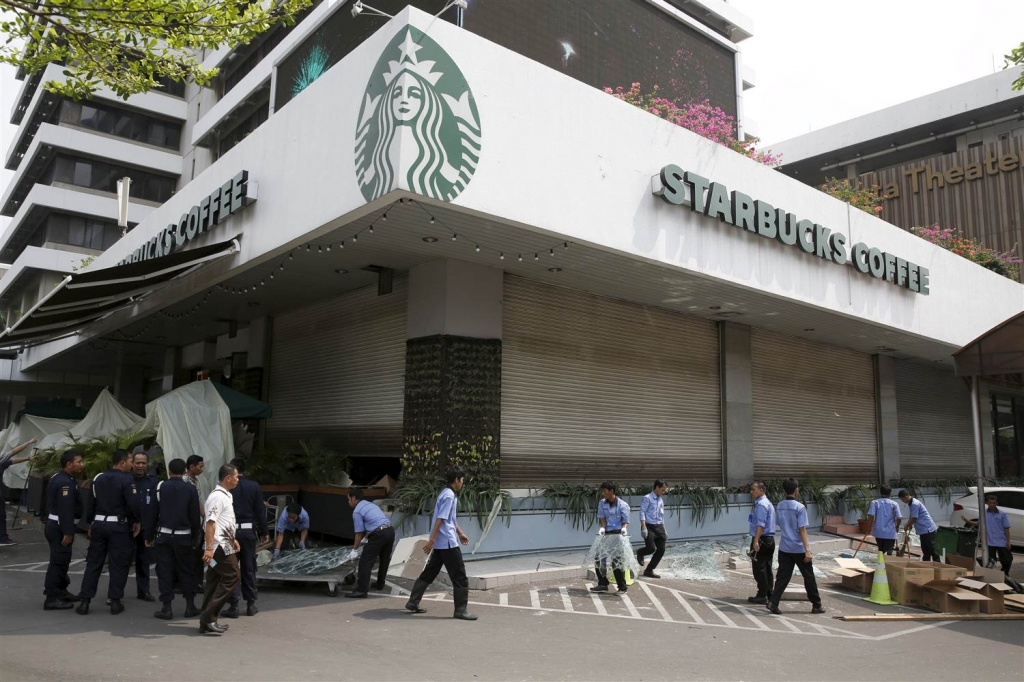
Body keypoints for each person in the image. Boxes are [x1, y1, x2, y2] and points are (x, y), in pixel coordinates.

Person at [404, 468, 477, 620]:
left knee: (430, 572)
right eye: (462, 480)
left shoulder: (444, 493)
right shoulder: (449, 496)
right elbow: (441, 519)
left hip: (442, 542)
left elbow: (449, 519)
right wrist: (431, 540)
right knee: (460, 576)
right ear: (457, 479)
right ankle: (461, 610)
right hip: (447, 543)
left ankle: (413, 602)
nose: (462, 483)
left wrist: (460, 532)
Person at [76, 449, 141, 615]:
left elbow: (91, 503)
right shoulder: (127, 480)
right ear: (122, 462)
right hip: (118, 527)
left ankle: (85, 601)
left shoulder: (98, 478)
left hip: (99, 524)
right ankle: (115, 601)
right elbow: (133, 504)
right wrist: (136, 520)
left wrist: (90, 522)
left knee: (94, 563)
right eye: (131, 460)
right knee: (118, 564)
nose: (132, 464)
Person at [146, 458, 202, 620]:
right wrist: (194, 537)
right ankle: (190, 605)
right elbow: (194, 517)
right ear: (185, 471)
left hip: (163, 536)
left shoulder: (160, 487)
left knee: (164, 571)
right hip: (184, 536)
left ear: (169, 472)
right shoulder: (190, 489)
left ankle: (167, 607)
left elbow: (152, 513)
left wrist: (148, 536)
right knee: (186, 570)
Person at [767, 478, 825, 616]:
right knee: (808, 576)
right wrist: (808, 550)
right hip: (798, 548)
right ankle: (816, 604)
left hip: (785, 547)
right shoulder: (800, 507)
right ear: (796, 490)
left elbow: (779, 524)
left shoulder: (780, 505)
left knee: (782, 577)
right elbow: (802, 530)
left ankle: (773, 602)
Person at [198, 464, 241, 636]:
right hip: (218, 547)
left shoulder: (226, 496)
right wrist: (209, 548)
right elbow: (210, 523)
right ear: (228, 477)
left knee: (214, 581)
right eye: (236, 476)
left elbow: (224, 522)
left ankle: (207, 621)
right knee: (233, 576)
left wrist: (233, 538)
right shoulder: (217, 497)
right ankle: (208, 616)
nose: (238, 479)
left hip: (225, 543)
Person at [224, 457, 267, 618]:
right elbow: (260, 511)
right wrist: (264, 532)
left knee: (231, 568)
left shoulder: (226, 486)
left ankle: (233, 605)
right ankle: (251, 604)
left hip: (229, 532)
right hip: (249, 532)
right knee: (249, 567)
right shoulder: (254, 486)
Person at [42, 450, 83, 610]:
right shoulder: (65, 482)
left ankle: (61, 591)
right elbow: (65, 509)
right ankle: (51, 597)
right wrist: (68, 531)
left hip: (57, 525)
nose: (81, 464)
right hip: (60, 527)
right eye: (78, 461)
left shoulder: (62, 478)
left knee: (63, 561)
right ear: (69, 464)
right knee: (58, 562)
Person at [345, 488, 395, 598]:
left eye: (348, 499)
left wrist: (354, 550)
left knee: (365, 561)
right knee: (384, 559)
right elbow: (375, 523)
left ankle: (361, 590)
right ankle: (380, 584)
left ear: (354, 498)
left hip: (379, 534)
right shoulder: (371, 505)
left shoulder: (357, 511)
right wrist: (366, 538)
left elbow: (358, 533)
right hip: (390, 531)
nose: (348, 502)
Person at [591, 481, 631, 595]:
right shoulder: (602, 503)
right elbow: (602, 518)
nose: (603, 493)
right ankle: (603, 583)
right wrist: (602, 528)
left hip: (618, 534)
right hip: (606, 534)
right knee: (599, 558)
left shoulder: (623, 505)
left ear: (611, 491)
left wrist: (624, 528)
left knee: (616, 561)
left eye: (605, 491)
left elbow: (625, 521)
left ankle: (622, 587)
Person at [130, 447, 158, 602]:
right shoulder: (126, 480)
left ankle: (143, 591)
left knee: (143, 560)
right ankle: (116, 594)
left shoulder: (153, 482)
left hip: (146, 528)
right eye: (137, 463)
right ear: (132, 464)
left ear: (147, 465)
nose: (140, 466)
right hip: (128, 527)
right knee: (122, 561)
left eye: (143, 463)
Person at [0, 437, 38, 547]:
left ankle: (3, 538)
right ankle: (2, 539)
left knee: (2, 516)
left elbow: (11, 461)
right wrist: (29, 442)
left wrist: (28, 458)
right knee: (1, 517)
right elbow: (13, 452)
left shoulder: (1, 463)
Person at [963, 494, 1013, 575]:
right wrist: (967, 521)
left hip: (1001, 541)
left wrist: (1008, 541)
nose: (992, 504)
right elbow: (978, 523)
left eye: (994, 503)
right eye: (990, 503)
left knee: (1008, 559)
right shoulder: (984, 514)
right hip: (989, 542)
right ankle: (992, 576)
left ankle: (1004, 574)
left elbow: (1006, 528)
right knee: (990, 561)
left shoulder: (1002, 514)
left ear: (997, 503)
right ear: (987, 503)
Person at [747, 481, 776, 605]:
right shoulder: (765, 503)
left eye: (753, 489)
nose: (751, 492)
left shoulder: (761, 505)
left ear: (761, 490)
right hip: (768, 540)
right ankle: (769, 594)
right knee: (766, 568)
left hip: (762, 539)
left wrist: (755, 541)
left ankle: (762, 595)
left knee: (759, 569)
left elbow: (760, 525)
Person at [183, 455, 209, 592]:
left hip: (196, 522)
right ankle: (189, 583)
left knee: (197, 554)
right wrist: (204, 514)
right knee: (191, 554)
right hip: (188, 523)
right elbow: (193, 502)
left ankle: (196, 582)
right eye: (200, 466)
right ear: (191, 467)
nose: (202, 469)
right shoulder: (185, 481)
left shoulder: (196, 481)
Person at [636, 479, 668, 579]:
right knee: (651, 548)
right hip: (649, 526)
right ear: (657, 487)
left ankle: (649, 570)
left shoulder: (660, 500)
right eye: (662, 490)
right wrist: (643, 526)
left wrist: (664, 529)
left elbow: (661, 516)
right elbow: (642, 512)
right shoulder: (647, 498)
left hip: (659, 527)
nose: (663, 492)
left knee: (661, 550)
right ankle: (640, 552)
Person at [899, 490, 938, 561]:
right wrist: (910, 524)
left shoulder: (914, 504)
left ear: (906, 496)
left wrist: (907, 525)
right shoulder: (912, 503)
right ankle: (927, 564)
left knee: (930, 549)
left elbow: (914, 517)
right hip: (923, 530)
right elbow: (912, 516)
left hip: (927, 529)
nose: (903, 501)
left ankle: (935, 564)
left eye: (902, 499)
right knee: (926, 549)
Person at [866, 485, 901, 555]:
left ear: (880, 492)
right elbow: (899, 518)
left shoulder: (875, 503)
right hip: (890, 532)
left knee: (880, 550)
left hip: (879, 531)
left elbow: (871, 516)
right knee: (889, 550)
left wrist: (869, 527)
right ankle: (888, 563)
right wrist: (897, 526)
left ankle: (881, 564)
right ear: (890, 493)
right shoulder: (894, 504)